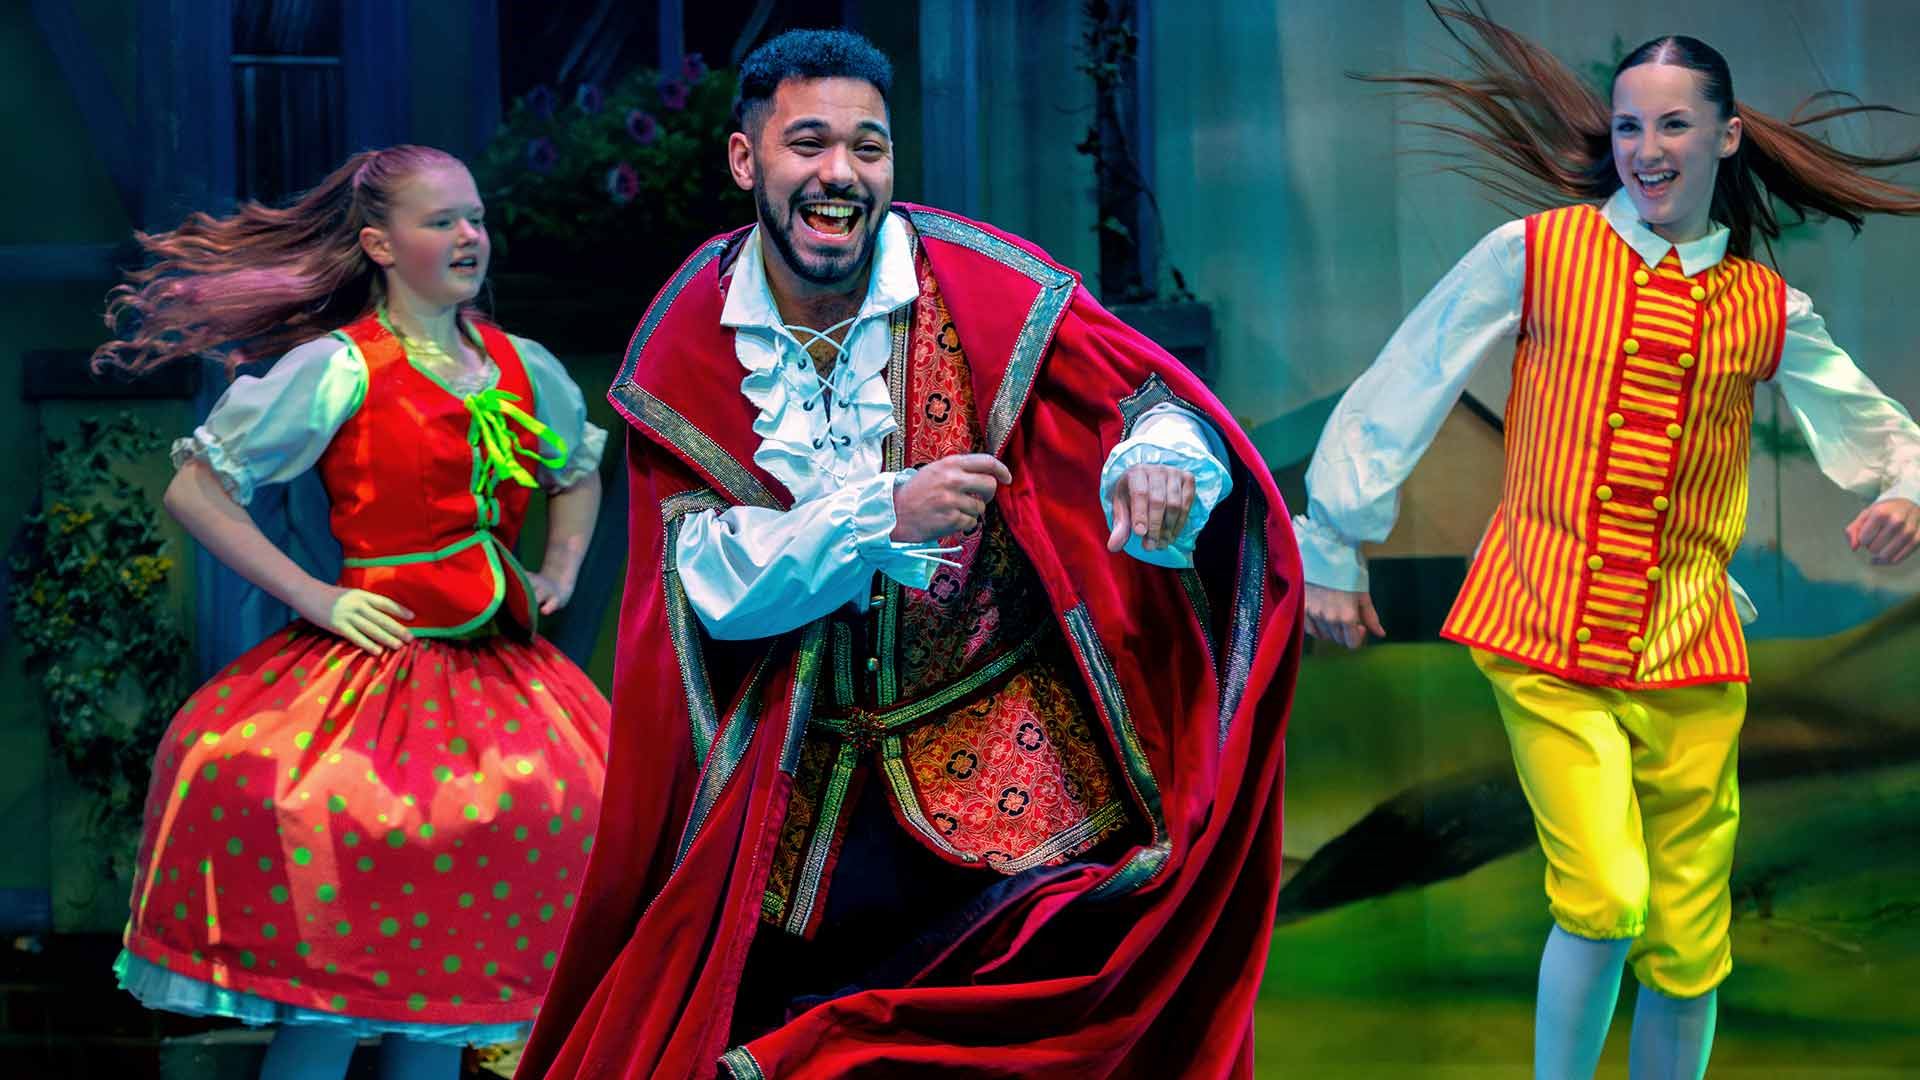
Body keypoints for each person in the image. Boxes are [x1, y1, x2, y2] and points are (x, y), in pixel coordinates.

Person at [518, 28, 1301, 1080]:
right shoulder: (692, 334)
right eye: (808, 144)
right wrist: (888, 512)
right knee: (794, 1045)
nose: (840, 173)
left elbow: (1149, 399)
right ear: (746, 160)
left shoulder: (979, 284)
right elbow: (712, 586)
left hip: (1022, 789)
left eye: (868, 147)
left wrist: (1159, 458)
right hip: (807, 819)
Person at [1295, 8, 1920, 1078]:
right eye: (1630, 126)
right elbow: (1409, 378)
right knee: (1605, 894)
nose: (1647, 149)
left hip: (1692, 646)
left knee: (1688, 937)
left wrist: (1906, 487)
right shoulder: (1537, 254)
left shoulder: (1765, 306)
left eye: (1673, 124)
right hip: (1543, 628)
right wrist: (1336, 543)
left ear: (1725, 135)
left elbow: (1880, 434)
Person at [93, 144, 611, 1080]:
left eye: (476, 217)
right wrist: (316, 595)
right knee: (333, 993)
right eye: (441, 221)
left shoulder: (521, 365)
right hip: (377, 680)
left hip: (499, 683)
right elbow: (197, 490)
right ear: (379, 243)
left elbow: (576, 469)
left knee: (441, 1007)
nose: (470, 236)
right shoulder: (341, 367)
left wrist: (559, 568)